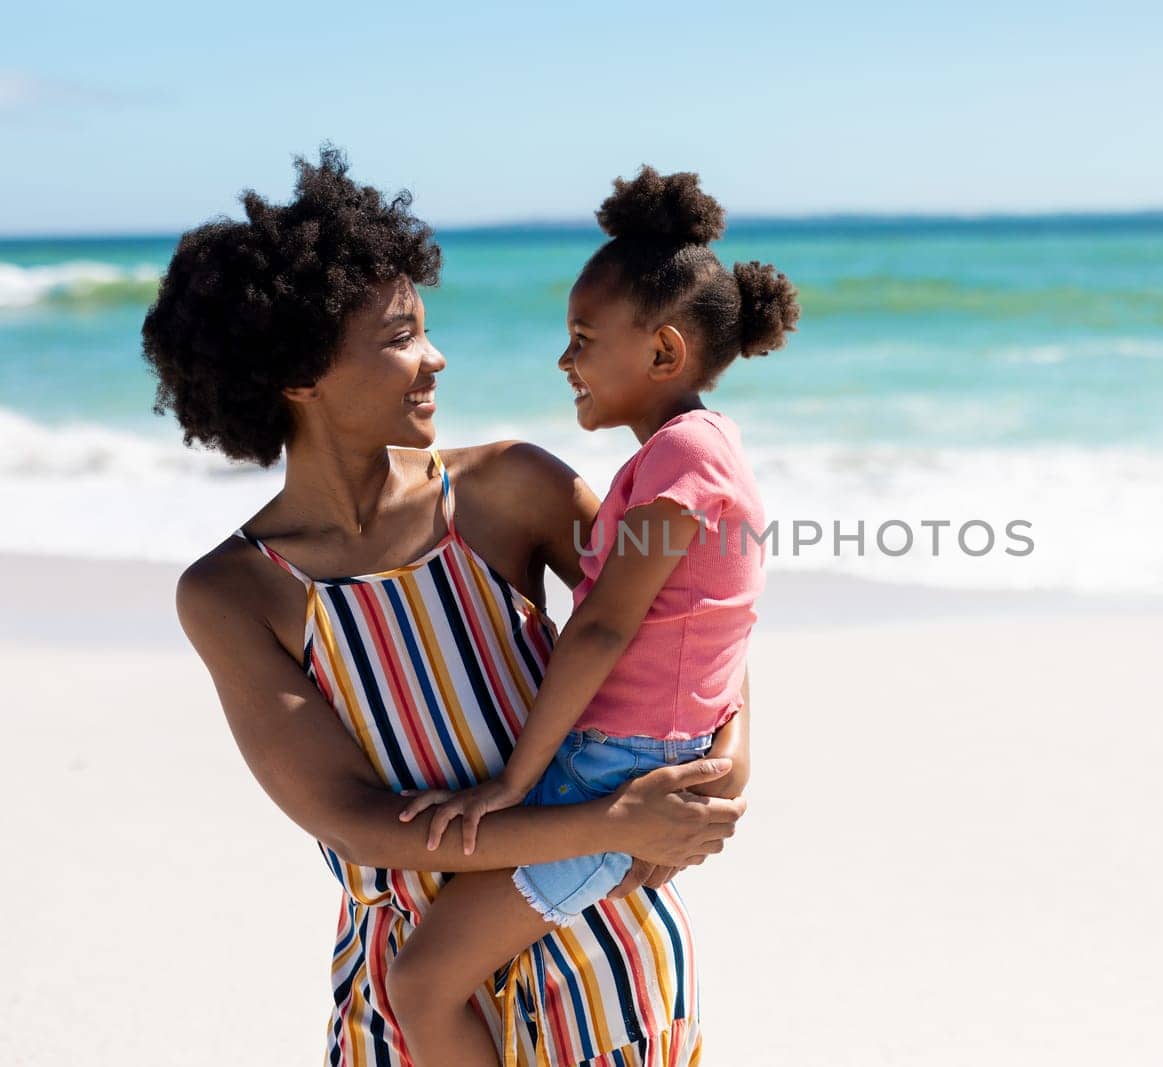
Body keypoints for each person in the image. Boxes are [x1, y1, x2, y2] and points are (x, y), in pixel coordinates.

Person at [143, 147, 748, 1067]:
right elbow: (353, 819)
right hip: (417, 990)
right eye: (400, 337)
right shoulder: (235, 591)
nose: (436, 357)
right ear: (298, 375)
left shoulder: (511, 489)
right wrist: (612, 825)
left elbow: (690, 614)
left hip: (609, 962)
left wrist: (724, 771)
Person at [385, 166, 798, 1066]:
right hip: (625, 758)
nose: (564, 360)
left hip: (611, 770)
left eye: (581, 339)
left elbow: (604, 627)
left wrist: (511, 784)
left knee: (420, 983)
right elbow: (714, 621)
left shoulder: (683, 457)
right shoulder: (696, 452)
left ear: (662, 353)